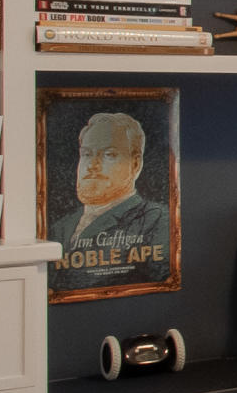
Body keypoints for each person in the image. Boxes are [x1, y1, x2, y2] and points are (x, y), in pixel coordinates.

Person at [51, 110, 172, 286]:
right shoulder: (60, 227)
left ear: (135, 163)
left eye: (109, 154)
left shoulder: (158, 220)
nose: (92, 165)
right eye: (86, 154)